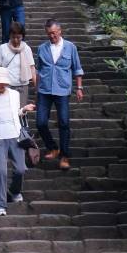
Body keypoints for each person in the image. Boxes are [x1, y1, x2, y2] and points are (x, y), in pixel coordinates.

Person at [0, 67, 35, 215]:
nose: (1, 85)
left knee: (20, 169)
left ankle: (14, 190)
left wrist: (24, 109)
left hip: (15, 136)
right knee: (0, 171)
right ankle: (0, 204)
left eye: (3, 82)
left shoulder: (15, 94)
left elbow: (16, 112)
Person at [34, 18, 84, 170]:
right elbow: (37, 69)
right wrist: (35, 86)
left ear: (60, 31)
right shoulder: (42, 48)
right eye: (49, 34)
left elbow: (77, 68)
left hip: (62, 90)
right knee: (40, 122)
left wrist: (79, 88)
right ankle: (53, 147)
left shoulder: (70, 47)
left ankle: (64, 156)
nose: (52, 36)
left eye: (54, 33)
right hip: (44, 90)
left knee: (64, 123)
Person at [0, 21, 36, 105]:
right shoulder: (2, 48)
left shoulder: (26, 49)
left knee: (21, 111)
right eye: (13, 37)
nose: (16, 40)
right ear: (9, 35)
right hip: (6, 85)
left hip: (22, 86)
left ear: (22, 36)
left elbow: (32, 68)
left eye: (19, 37)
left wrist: (36, 87)